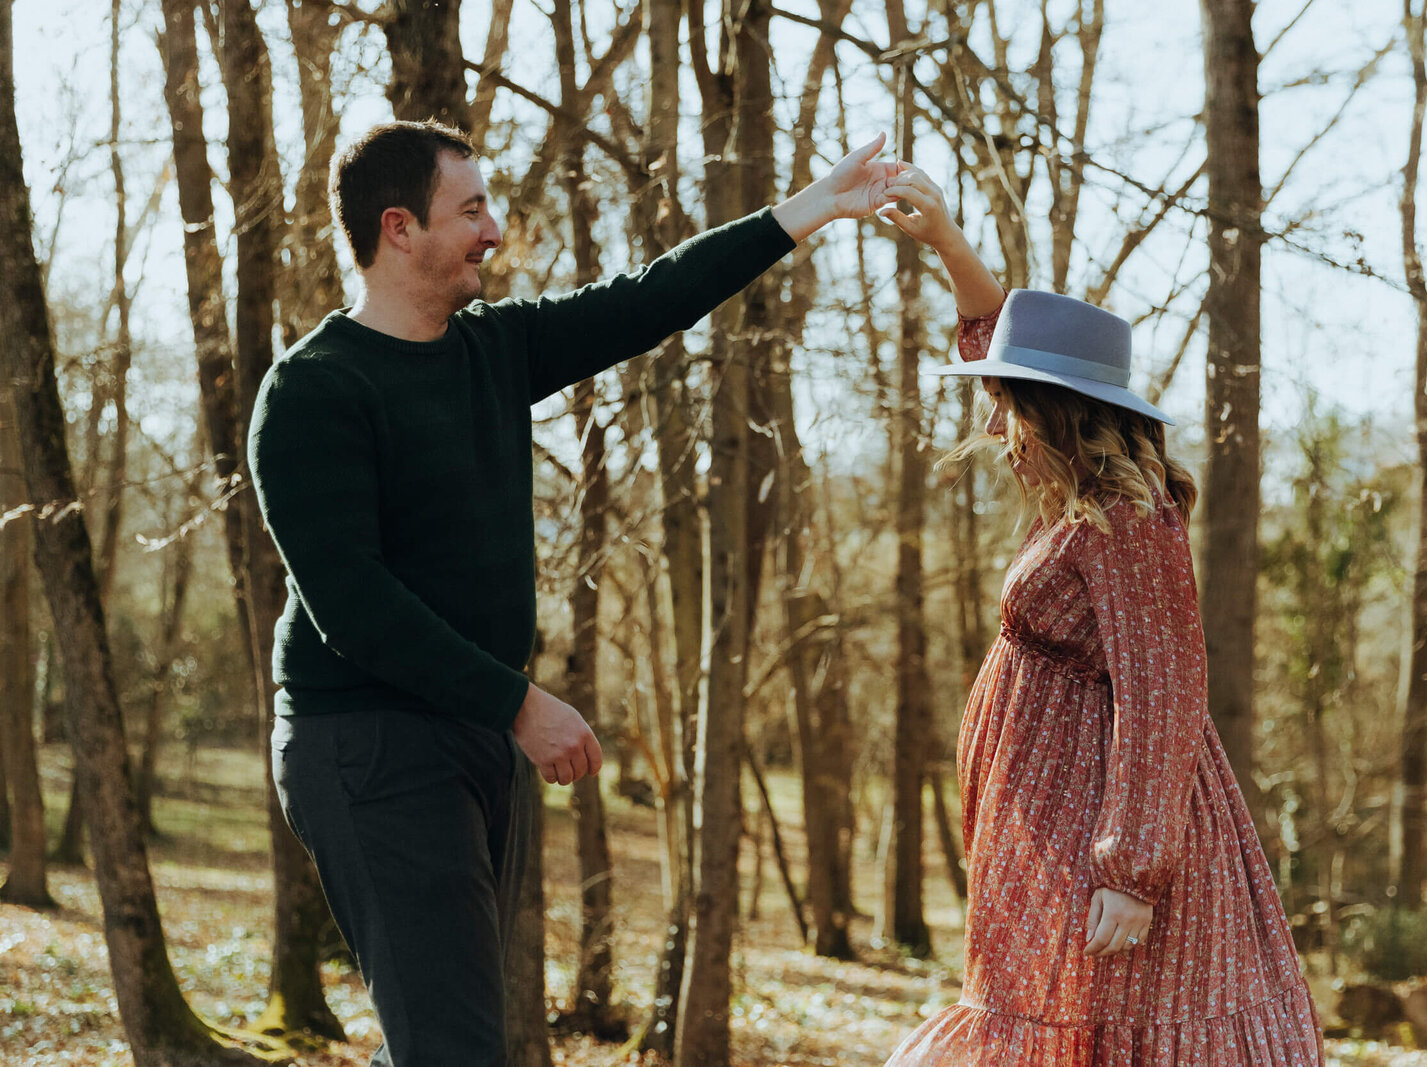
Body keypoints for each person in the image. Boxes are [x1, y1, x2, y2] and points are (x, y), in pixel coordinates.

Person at [248, 119, 898, 1066]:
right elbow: (354, 606)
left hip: (472, 735)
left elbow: (648, 298)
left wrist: (805, 212)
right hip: (368, 739)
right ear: (398, 228)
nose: (495, 230)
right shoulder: (313, 391)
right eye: (470, 210)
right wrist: (519, 703)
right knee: (452, 1049)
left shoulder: (493, 349)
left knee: (439, 1037)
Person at [874, 166, 1325, 1064]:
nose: (996, 431)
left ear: (1056, 416)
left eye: (1010, 411)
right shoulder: (1078, 497)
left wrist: (1132, 870)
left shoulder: (1129, 518)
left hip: (1100, 834)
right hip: (1046, 825)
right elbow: (994, 341)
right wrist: (950, 246)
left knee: (1090, 1016)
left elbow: (1165, 689)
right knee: (1052, 1014)